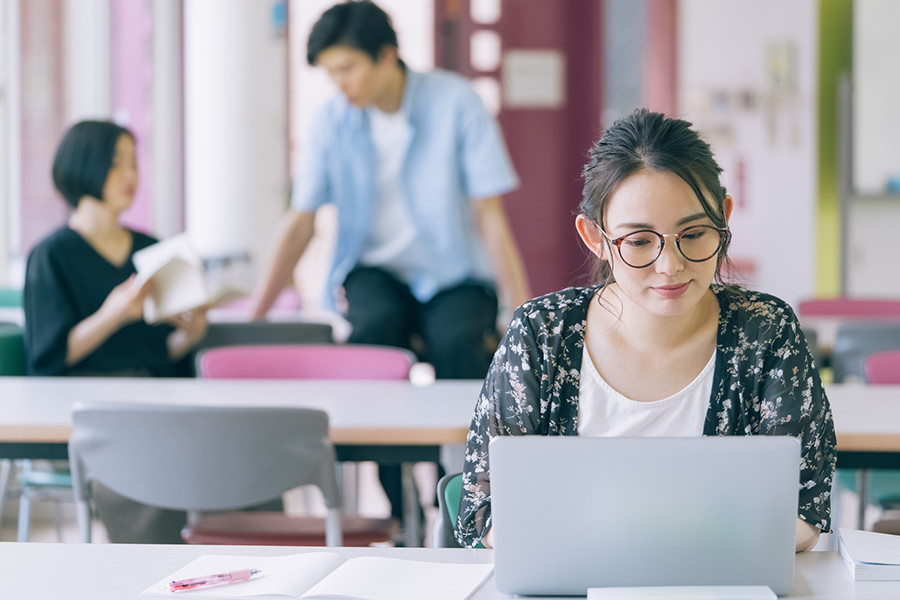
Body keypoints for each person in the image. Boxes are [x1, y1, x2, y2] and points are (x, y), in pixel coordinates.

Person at [456, 109, 836, 553]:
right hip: (575, 582)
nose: (670, 266)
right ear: (595, 237)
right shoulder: (541, 335)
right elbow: (485, 514)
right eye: (638, 241)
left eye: (693, 234)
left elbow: (804, 509)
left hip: (714, 583)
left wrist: (634, 542)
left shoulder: (766, 333)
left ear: (724, 217)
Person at [249, 0, 531, 529]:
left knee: (459, 340)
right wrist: (256, 315)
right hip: (373, 272)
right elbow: (301, 222)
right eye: (331, 74)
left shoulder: (456, 103)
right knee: (374, 334)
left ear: (386, 55)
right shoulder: (331, 121)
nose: (340, 85)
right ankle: (399, 509)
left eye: (347, 69)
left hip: (453, 275)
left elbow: (490, 216)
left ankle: (465, 502)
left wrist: (519, 312)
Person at [23, 120, 210, 542]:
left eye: (133, 163)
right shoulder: (51, 255)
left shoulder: (151, 250)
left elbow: (158, 351)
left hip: (155, 400)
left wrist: (190, 334)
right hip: (90, 411)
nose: (130, 175)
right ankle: (164, 569)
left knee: (236, 451)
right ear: (82, 167)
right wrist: (113, 314)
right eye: (115, 164)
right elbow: (49, 357)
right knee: (153, 466)